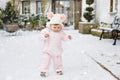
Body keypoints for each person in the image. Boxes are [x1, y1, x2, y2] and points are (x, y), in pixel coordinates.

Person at [39, 12, 72, 77]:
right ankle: (43, 70)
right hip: (47, 50)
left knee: (58, 61)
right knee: (45, 61)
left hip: (57, 50)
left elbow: (64, 37)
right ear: (50, 25)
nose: (56, 29)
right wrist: (44, 36)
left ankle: (58, 70)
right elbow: (40, 37)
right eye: (54, 27)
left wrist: (68, 37)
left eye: (58, 27)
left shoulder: (61, 32)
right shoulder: (46, 31)